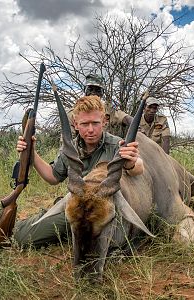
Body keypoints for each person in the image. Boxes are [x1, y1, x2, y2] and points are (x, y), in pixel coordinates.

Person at [13, 95, 144, 248]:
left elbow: (139, 168)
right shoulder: (70, 149)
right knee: (22, 236)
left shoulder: (116, 145)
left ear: (104, 121)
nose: (90, 130)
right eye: (84, 124)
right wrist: (31, 153)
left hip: (105, 212)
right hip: (79, 210)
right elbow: (53, 177)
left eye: (95, 123)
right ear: (75, 124)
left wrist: (131, 163)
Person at [68, 73, 133, 138]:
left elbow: (125, 118)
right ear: (85, 90)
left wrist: (136, 127)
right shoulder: (73, 113)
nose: (93, 93)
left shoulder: (108, 110)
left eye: (97, 90)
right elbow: (68, 140)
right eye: (90, 89)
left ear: (102, 93)